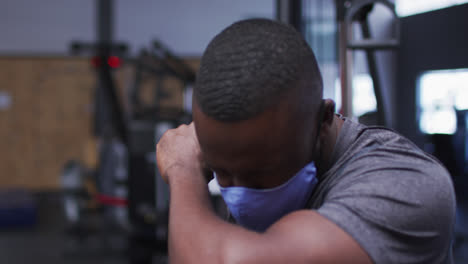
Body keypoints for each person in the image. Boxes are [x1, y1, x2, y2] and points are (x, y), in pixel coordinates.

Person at [156, 18, 456, 263]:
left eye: (259, 177)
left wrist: (184, 171)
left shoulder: (407, 185)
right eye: (218, 172)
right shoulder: (250, 158)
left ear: (324, 120)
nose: (239, 193)